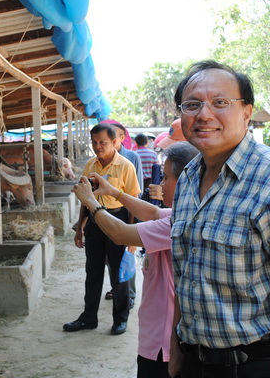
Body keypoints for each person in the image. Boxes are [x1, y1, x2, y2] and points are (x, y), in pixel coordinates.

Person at [168, 60, 270, 378]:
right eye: (192, 105)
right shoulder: (188, 176)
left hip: (257, 365)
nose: (204, 114)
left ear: (247, 112)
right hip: (195, 361)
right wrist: (176, 355)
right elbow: (186, 276)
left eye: (220, 102)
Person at [72, 141, 199, 378]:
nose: (160, 184)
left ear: (186, 181)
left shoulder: (178, 224)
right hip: (157, 332)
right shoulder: (181, 213)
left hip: (162, 340)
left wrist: (90, 202)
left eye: (166, 178)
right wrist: (114, 192)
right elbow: (152, 212)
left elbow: (120, 234)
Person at [63, 123, 141, 335]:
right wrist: (80, 228)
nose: (98, 146)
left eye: (102, 142)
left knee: (119, 274)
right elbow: (85, 199)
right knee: (93, 271)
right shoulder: (90, 165)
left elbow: (133, 202)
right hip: (95, 221)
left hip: (118, 219)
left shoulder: (125, 166)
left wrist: (132, 235)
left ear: (114, 142)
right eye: (94, 142)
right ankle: (88, 318)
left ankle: (120, 319)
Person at [109, 122, 143, 308]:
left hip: (127, 211)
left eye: (114, 136)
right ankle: (116, 288)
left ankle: (129, 294)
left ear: (122, 138)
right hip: (107, 213)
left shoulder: (131, 157)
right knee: (111, 257)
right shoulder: (102, 158)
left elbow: (137, 190)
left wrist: (134, 218)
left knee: (127, 254)